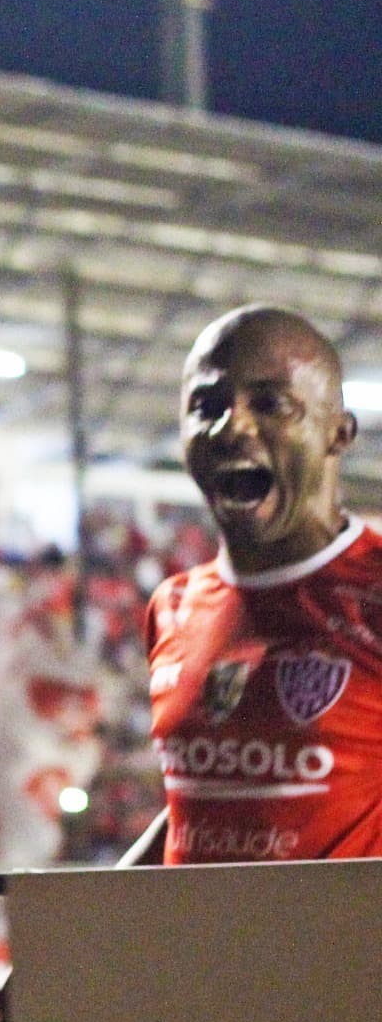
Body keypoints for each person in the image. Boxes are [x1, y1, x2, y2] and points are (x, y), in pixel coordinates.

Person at [140, 305, 382, 865]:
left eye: (270, 403)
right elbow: (191, 814)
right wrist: (70, 942)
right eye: (206, 406)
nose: (232, 427)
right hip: (203, 953)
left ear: (337, 434)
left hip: (338, 953)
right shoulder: (174, 607)